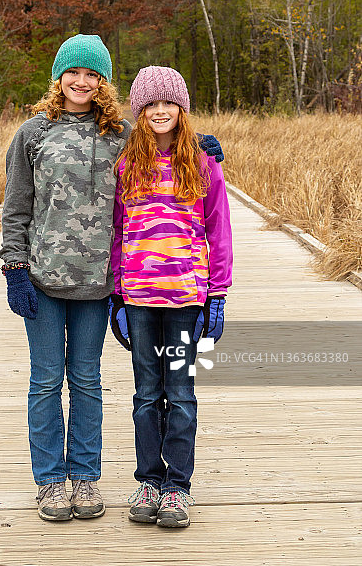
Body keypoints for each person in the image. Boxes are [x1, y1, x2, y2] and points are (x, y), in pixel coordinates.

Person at [0, 37, 224, 523]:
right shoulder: (33, 133)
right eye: (72, 72)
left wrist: (200, 145)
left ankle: (84, 476)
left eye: (92, 74)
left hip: (100, 283)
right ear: (58, 76)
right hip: (42, 279)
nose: (81, 82)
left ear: (103, 82)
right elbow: (16, 207)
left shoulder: (119, 132)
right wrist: (15, 268)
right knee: (44, 382)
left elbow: (162, 135)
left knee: (86, 380)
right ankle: (50, 482)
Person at [109, 65, 233, 529]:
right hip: (139, 298)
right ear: (139, 113)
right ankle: (149, 481)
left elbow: (219, 230)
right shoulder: (127, 166)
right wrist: (116, 298)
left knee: (180, 394)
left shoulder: (203, 164)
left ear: (182, 110)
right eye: (150, 105)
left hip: (186, 299)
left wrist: (217, 296)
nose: (160, 112)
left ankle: (178, 488)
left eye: (169, 104)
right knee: (146, 394)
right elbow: (119, 233)